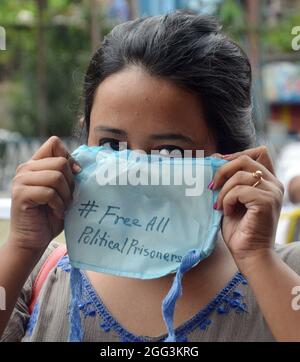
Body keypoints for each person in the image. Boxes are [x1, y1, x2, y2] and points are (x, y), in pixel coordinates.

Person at [1, 11, 300, 342]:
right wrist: (22, 245)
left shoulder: (283, 274)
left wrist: (258, 258)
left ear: (231, 157)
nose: (132, 173)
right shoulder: (35, 274)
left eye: (168, 152)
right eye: (111, 144)